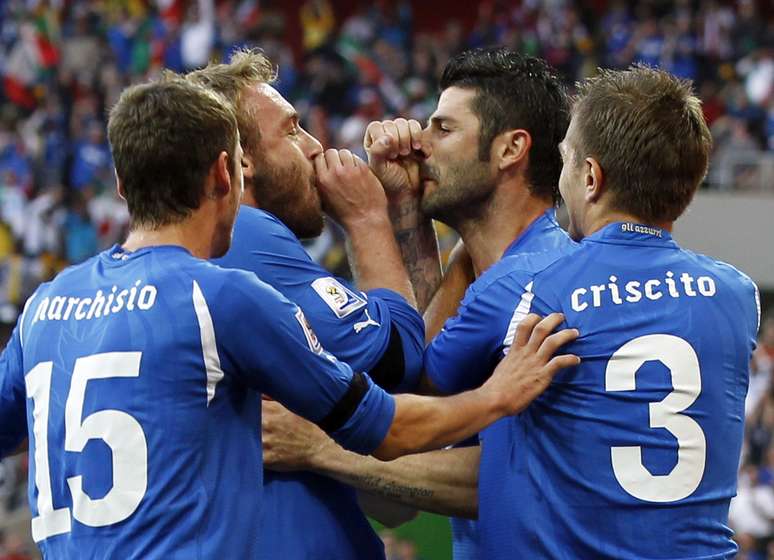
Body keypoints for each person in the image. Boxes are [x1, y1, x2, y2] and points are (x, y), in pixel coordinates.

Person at [0, 77, 578, 558]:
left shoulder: (46, 304)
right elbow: (392, 401)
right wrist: (501, 395)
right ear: (229, 174)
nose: (314, 146)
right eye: (293, 128)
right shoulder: (224, 294)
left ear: (122, 186)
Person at [263, 63, 761, 558]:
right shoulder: (737, 293)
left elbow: (400, 391)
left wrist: (373, 219)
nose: (420, 142)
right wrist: (423, 227)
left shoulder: (529, 286)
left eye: (444, 127)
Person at [262, 47, 574, 560]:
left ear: (510, 149)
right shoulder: (487, 277)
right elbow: (418, 375)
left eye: (444, 129)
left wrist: (320, 449)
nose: (420, 144)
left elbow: (511, 474)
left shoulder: (541, 288)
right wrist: (405, 204)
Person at [185, 50, 426, 558]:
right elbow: (399, 359)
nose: (316, 147)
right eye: (293, 130)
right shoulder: (245, 235)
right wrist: (366, 219)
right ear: (241, 162)